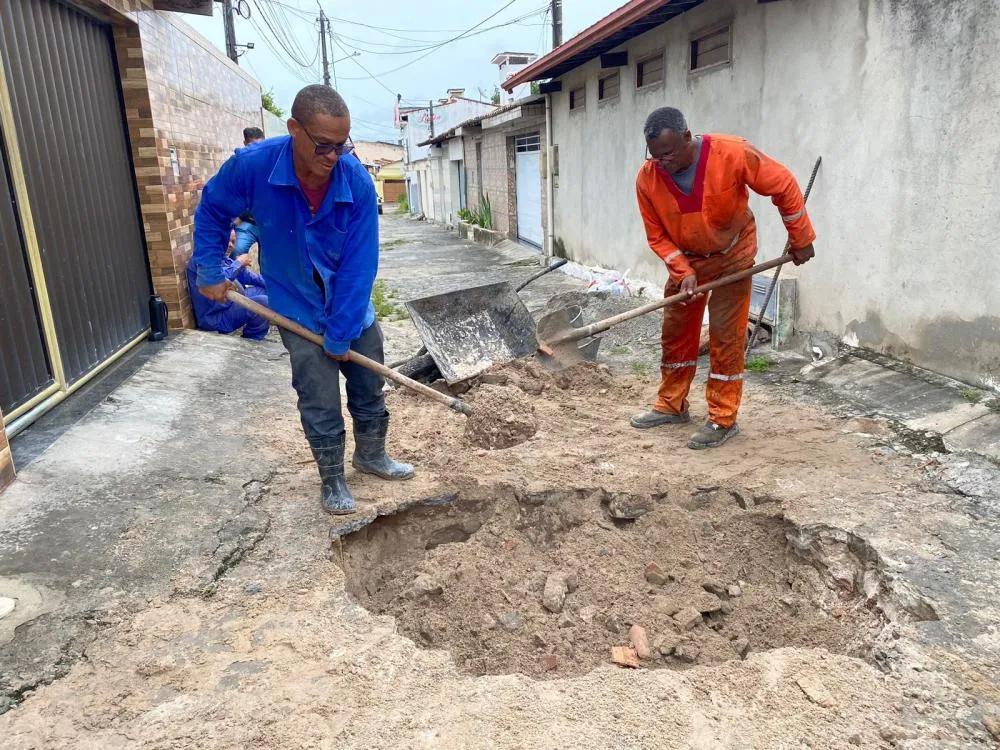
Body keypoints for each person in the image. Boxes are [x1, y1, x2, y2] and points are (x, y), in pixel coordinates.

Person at [193, 84, 413, 516]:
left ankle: (372, 455)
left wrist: (342, 332)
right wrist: (209, 269)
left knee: (369, 383)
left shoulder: (355, 181)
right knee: (318, 396)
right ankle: (332, 478)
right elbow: (213, 210)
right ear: (294, 128)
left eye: (341, 146)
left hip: (352, 306)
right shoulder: (252, 167)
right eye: (323, 145)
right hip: (296, 305)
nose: (333, 157)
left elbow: (359, 264)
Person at [631, 107, 816, 449]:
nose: (661, 163)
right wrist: (683, 271)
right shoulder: (648, 178)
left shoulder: (731, 153)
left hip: (733, 256)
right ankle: (671, 404)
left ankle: (722, 417)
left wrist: (801, 237)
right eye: (654, 156)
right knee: (675, 333)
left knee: (726, 336)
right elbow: (657, 236)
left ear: (687, 137)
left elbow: (784, 185)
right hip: (688, 261)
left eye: (668, 154)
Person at [185, 230, 270, 340]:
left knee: (266, 290)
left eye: (233, 242)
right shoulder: (201, 260)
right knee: (264, 302)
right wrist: (238, 263)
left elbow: (248, 276)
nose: (230, 245)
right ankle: (253, 340)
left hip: (230, 304)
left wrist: (275, 286)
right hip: (216, 318)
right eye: (227, 240)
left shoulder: (222, 258)